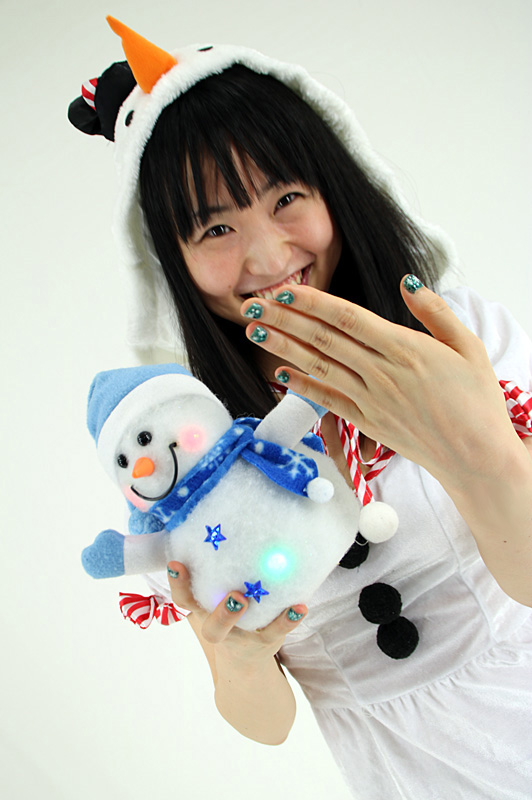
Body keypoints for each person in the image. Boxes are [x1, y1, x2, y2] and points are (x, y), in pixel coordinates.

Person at [69, 17, 532, 799]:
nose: (268, 256)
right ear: (172, 262)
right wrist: (238, 655)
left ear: (334, 188)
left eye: (286, 197)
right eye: (216, 227)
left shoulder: (453, 339)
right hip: (404, 774)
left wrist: (473, 447)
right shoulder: (187, 446)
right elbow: (266, 724)